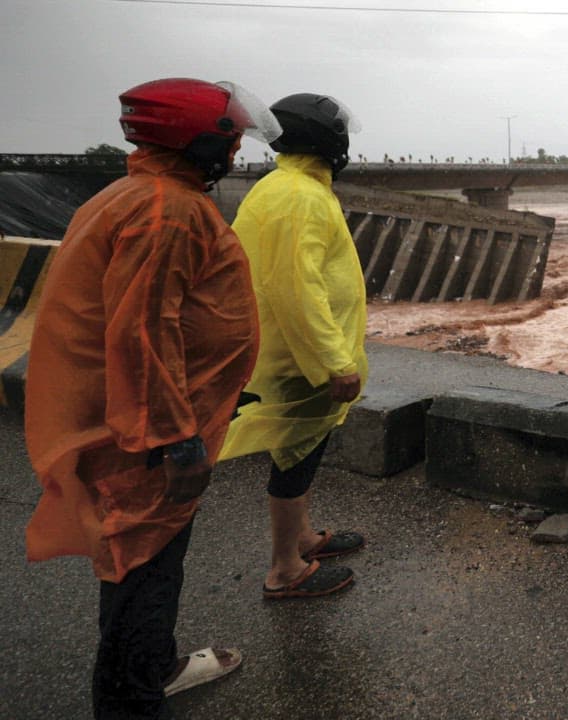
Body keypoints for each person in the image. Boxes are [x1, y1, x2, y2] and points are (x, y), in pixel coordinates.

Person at [24, 77, 280, 718]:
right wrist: (177, 440)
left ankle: (153, 666)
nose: (236, 149)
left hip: (131, 420)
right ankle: (132, 697)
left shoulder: (137, 193)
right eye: (231, 138)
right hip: (142, 434)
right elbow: (141, 331)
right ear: (200, 141)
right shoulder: (169, 211)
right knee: (145, 565)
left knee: (143, 556)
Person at [219, 92, 368, 599]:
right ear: (326, 138)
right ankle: (285, 569)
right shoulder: (300, 196)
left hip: (289, 350)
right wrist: (335, 361)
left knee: (298, 451)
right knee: (294, 457)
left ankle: (301, 538)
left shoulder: (290, 185)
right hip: (295, 357)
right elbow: (295, 287)